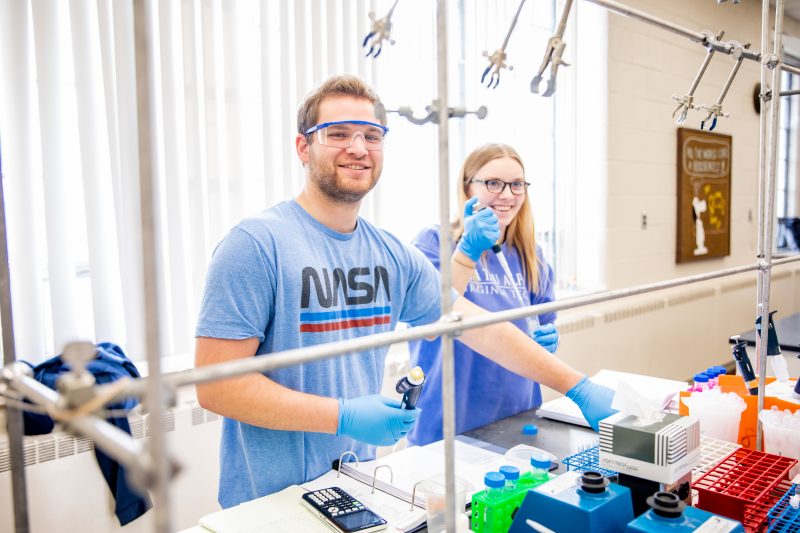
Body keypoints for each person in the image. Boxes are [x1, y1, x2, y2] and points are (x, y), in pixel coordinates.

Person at [194, 75, 615, 509]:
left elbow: (471, 323)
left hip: (352, 488)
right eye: (338, 133)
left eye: (371, 135)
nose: (358, 148)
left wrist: (576, 386)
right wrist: (342, 415)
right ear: (303, 148)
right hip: (268, 504)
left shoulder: (391, 253)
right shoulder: (256, 244)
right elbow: (216, 387)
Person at [407, 143, 561, 445]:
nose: (507, 195)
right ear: (467, 187)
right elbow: (431, 318)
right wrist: (468, 250)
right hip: (447, 423)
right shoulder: (434, 243)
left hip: (518, 419)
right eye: (493, 183)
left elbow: (542, 325)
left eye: (517, 184)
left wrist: (550, 337)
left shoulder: (532, 256)